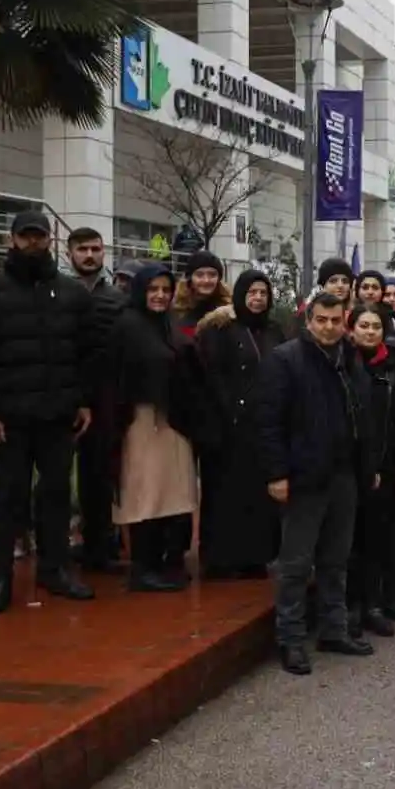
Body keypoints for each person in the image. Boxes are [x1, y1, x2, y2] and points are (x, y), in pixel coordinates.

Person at [0, 211, 97, 616]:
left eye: (40, 236)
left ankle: (56, 571)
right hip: (9, 419)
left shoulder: (72, 295)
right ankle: (1, 581)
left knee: (56, 497)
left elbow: (87, 355)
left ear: (51, 241)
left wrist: (83, 401)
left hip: (58, 417)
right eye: (26, 237)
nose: (33, 243)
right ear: (12, 241)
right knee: (7, 501)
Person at [257, 292, 375, 676]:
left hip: (344, 476)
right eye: (321, 320)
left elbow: (362, 415)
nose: (328, 327)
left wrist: (367, 465)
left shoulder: (349, 358)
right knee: (295, 564)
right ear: (309, 321)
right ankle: (290, 640)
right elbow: (270, 424)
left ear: (345, 321)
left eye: (335, 320)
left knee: (335, 560)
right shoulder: (286, 360)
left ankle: (333, 629)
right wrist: (276, 474)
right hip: (304, 479)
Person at [106, 264, 201, 592]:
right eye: (153, 290)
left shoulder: (167, 325)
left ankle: (169, 561)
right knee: (145, 494)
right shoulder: (127, 326)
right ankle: (143, 567)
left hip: (174, 422)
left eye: (165, 289)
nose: (160, 296)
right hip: (141, 421)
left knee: (175, 494)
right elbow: (117, 377)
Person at [195, 270, 283, 579]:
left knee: (258, 497)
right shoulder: (222, 329)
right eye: (252, 293)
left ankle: (255, 557)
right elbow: (213, 375)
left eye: (263, 293)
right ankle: (222, 559)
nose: (258, 299)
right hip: (229, 427)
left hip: (264, 426)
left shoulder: (273, 330)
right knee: (226, 494)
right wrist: (230, 411)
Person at [345, 303, 395, 637]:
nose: (370, 331)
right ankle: (348, 609)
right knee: (346, 543)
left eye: (376, 326)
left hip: (384, 466)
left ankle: (371, 605)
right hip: (347, 467)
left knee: (377, 539)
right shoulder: (342, 363)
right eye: (364, 325)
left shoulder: (392, 367)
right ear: (352, 329)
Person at [66, 227, 128, 575]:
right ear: (70, 253)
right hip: (62, 399)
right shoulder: (56, 294)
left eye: (95, 249)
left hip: (106, 402)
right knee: (58, 478)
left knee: (101, 474)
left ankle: (101, 545)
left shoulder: (117, 300)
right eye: (82, 249)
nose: (89, 255)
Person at [168, 249, 230, 579]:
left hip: (217, 409)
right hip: (183, 409)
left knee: (218, 483)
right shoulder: (176, 314)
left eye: (212, 274)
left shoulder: (229, 314)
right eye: (200, 274)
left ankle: (213, 546)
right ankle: (176, 549)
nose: (206, 280)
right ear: (189, 278)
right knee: (180, 483)